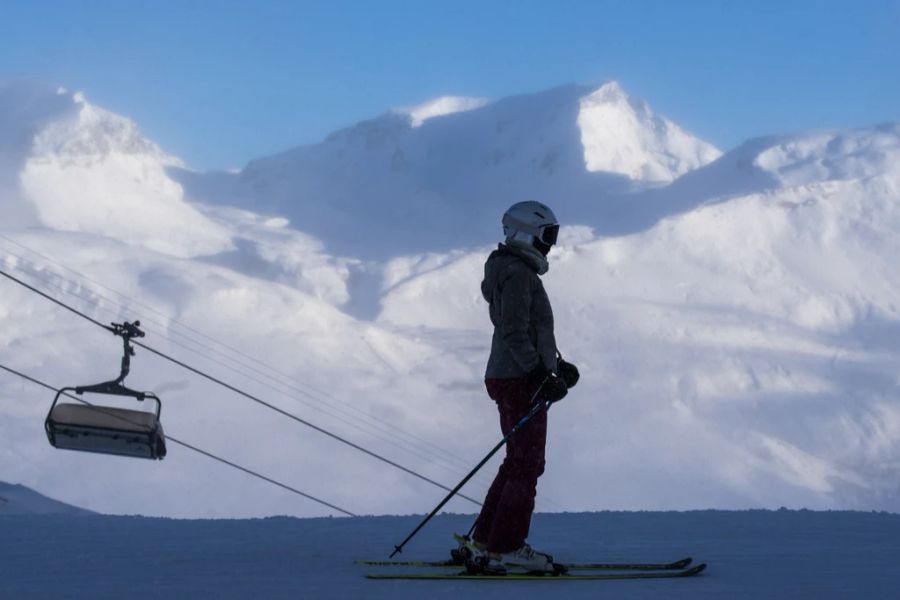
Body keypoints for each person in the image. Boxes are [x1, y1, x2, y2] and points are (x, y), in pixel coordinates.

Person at [461, 200, 580, 574]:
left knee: (518, 462)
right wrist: (538, 373)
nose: (551, 246)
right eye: (548, 236)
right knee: (528, 464)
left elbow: (524, 330)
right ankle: (507, 547)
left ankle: (487, 540)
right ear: (526, 233)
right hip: (518, 379)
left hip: (514, 375)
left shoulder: (514, 271)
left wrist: (556, 367)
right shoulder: (518, 274)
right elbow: (513, 329)